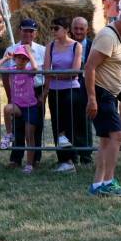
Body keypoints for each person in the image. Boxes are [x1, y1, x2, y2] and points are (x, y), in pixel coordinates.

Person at [84, 7, 121, 197]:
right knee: (118, 135)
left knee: (106, 140)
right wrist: (92, 98)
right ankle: (109, 182)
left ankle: (97, 184)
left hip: (111, 95)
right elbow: (90, 67)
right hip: (102, 94)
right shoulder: (107, 37)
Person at [2, 19, 46, 169]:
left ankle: (35, 160)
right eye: (25, 30)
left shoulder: (42, 50)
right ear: (19, 31)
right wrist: (9, 95)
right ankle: (16, 158)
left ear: (36, 33)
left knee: (35, 126)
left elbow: (49, 73)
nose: (28, 33)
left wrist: (44, 94)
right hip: (17, 93)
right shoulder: (11, 49)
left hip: (37, 91)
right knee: (17, 126)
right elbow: (5, 75)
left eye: (31, 31)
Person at [43, 17, 83, 174]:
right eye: (52, 28)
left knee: (68, 124)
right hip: (54, 90)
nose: (53, 31)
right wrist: (52, 80)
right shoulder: (50, 46)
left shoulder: (76, 46)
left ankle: (71, 158)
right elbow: (46, 70)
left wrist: (55, 74)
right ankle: (63, 160)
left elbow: (74, 72)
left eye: (56, 28)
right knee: (57, 125)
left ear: (66, 29)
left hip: (71, 90)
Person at [0, 45, 40, 174]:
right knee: (7, 108)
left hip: (30, 107)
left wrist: (29, 54)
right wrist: (5, 58)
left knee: (29, 136)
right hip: (18, 106)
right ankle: (9, 134)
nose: (21, 60)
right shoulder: (11, 69)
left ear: (27, 60)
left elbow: (36, 68)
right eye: (18, 58)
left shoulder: (29, 71)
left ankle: (29, 164)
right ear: (14, 59)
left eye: (23, 58)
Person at [70, 17, 93, 165]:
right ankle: (72, 154)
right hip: (70, 85)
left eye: (81, 29)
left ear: (87, 30)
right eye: (76, 28)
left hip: (87, 85)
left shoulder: (93, 45)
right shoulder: (67, 45)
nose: (78, 31)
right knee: (70, 119)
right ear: (71, 30)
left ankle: (86, 154)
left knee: (85, 120)